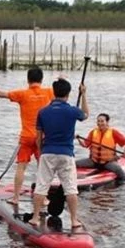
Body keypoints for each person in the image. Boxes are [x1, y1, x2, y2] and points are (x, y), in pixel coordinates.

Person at [0, 67, 54, 205]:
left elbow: (2, 94)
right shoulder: (49, 92)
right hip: (42, 137)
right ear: (41, 79)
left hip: (26, 136)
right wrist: (62, 79)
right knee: (42, 168)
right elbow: (62, 93)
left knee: (21, 167)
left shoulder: (22, 94)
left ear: (28, 79)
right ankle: (43, 198)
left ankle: (16, 198)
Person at [28, 78, 89, 230]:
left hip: (47, 153)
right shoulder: (72, 111)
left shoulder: (43, 112)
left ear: (54, 93)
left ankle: (35, 218)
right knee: (70, 188)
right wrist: (84, 94)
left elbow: (38, 138)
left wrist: (42, 151)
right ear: (68, 94)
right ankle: (74, 220)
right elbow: (86, 114)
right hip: (66, 154)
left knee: (41, 187)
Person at [76, 113, 125, 183]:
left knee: (118, 170)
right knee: (74, 164)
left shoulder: (113, 132)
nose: (100, 123)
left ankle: (123, 183)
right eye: (98, 121)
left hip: (108, 162)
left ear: (107, 122)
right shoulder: (93, 132)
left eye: (102, 121)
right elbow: (85, 145)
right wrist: (78, 139)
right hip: (93, 161)